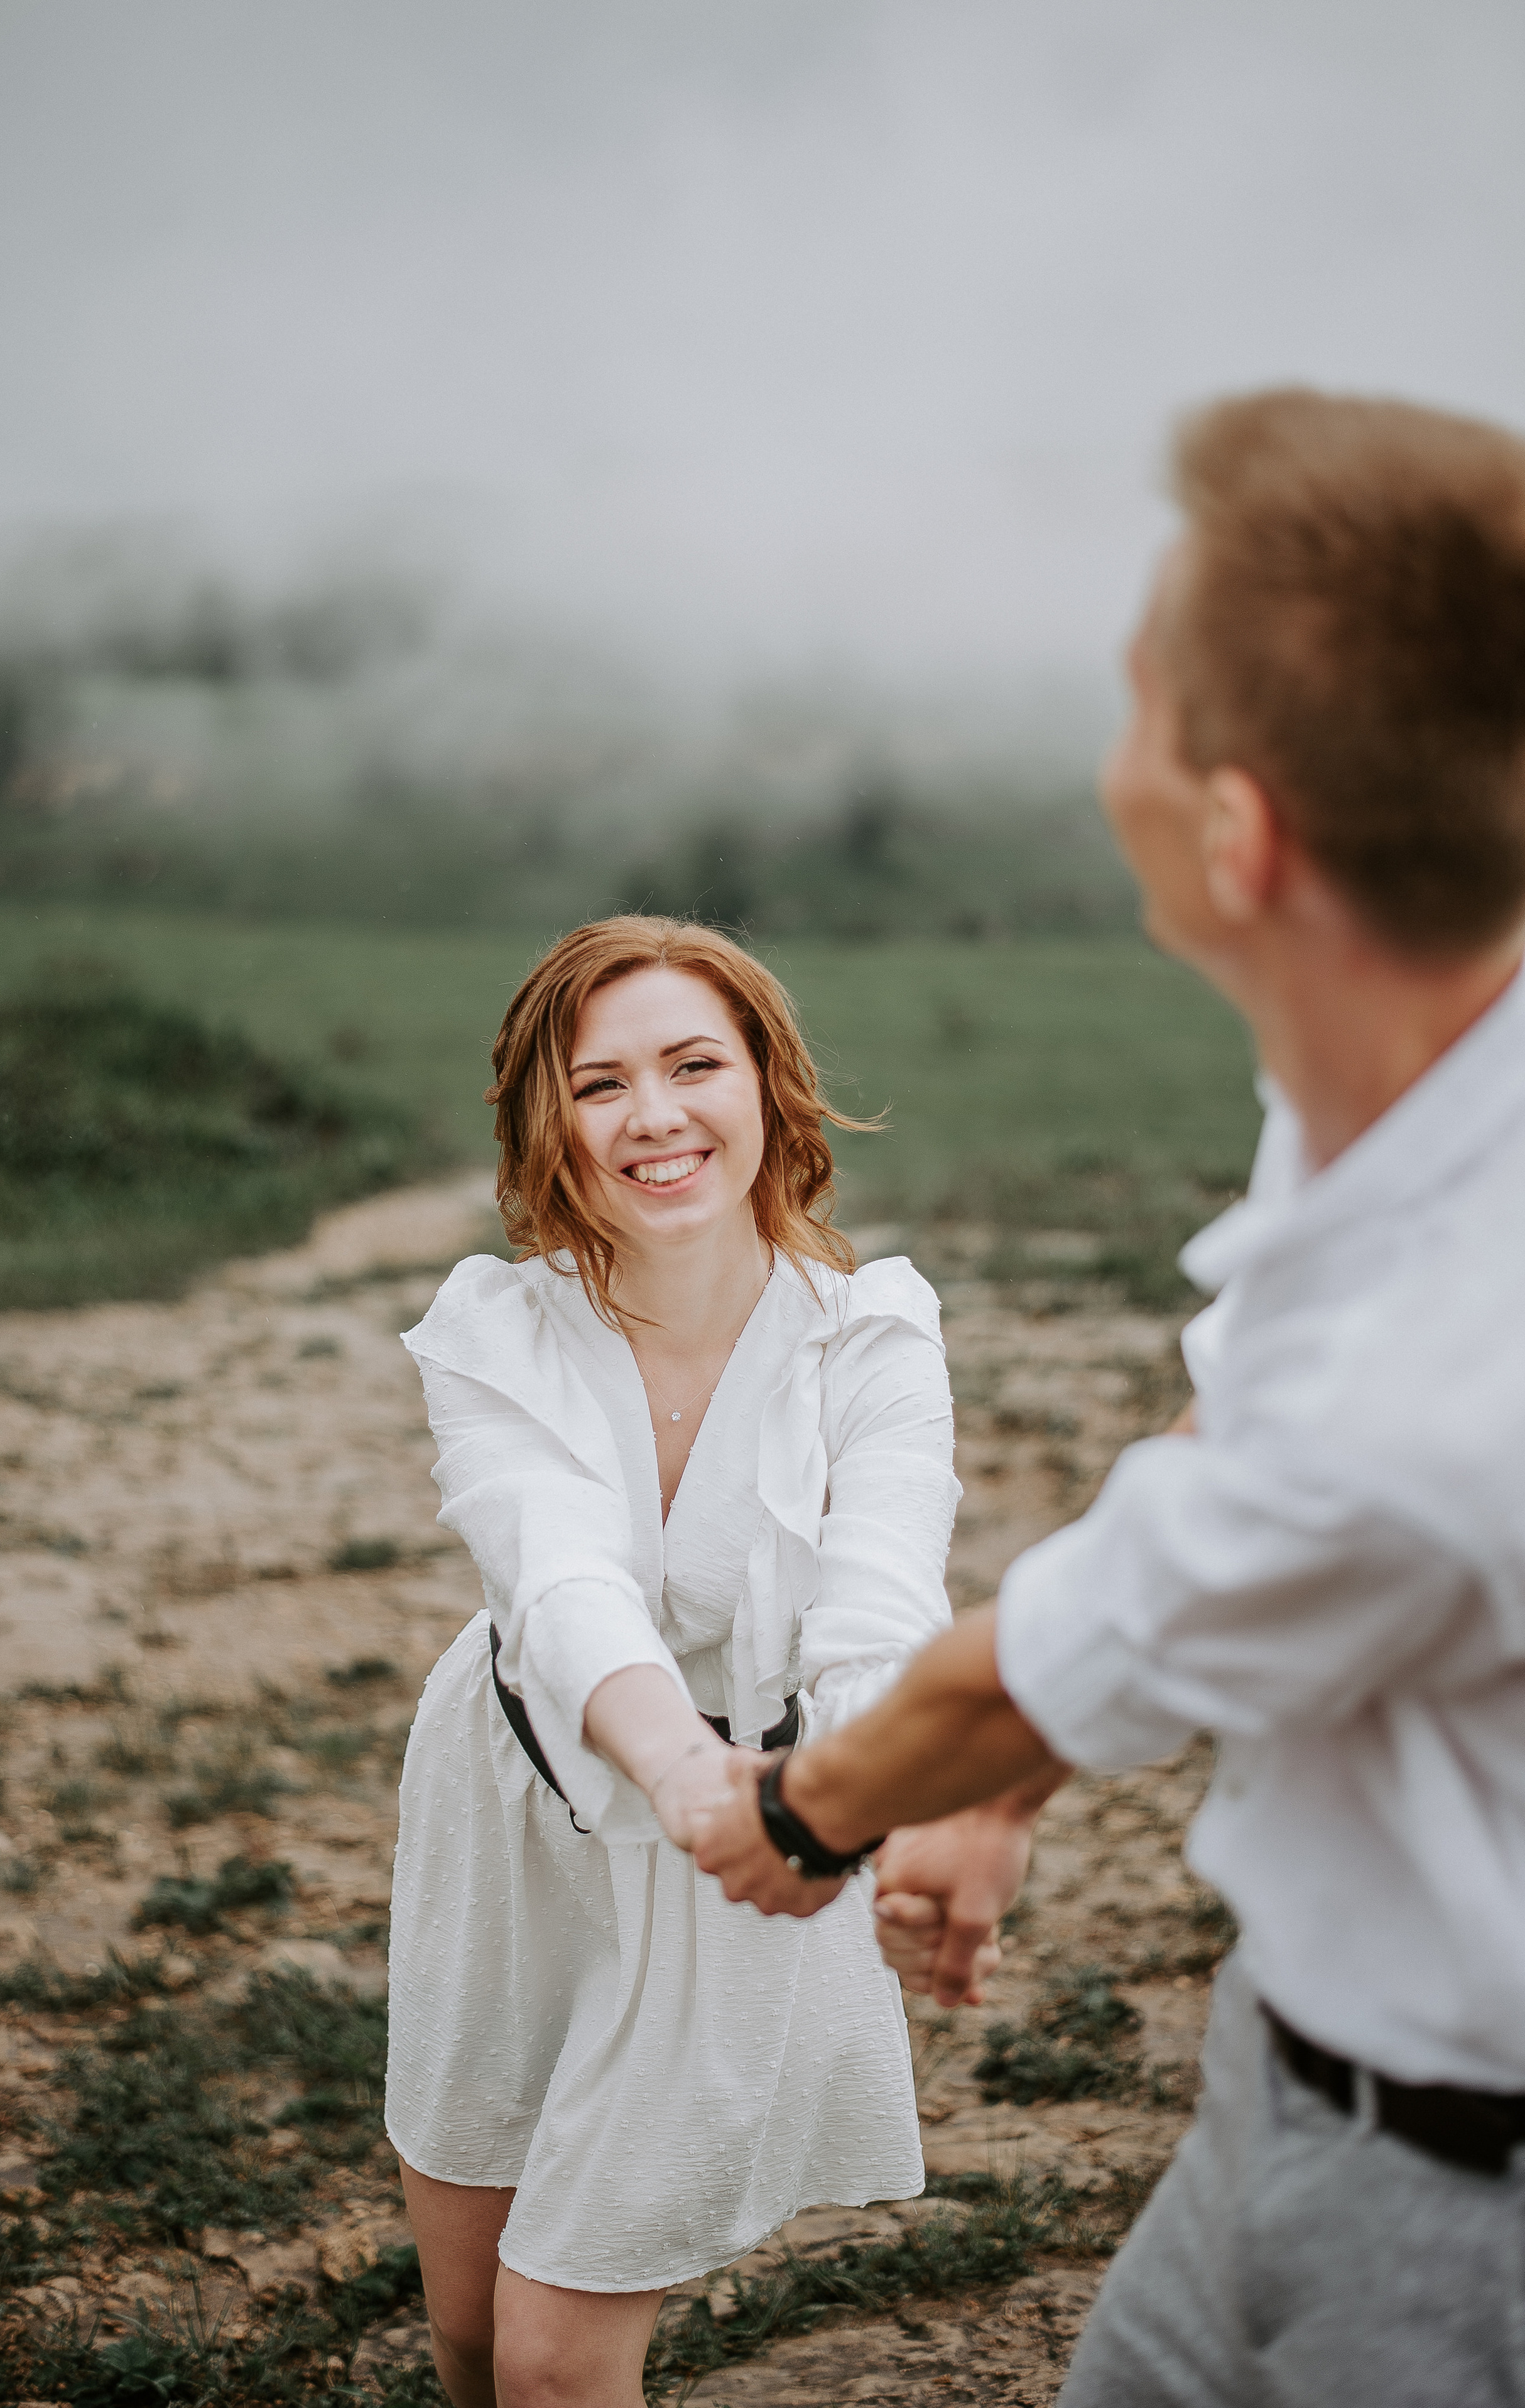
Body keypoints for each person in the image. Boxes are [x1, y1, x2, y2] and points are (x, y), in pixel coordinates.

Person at [691, 388, 1525, 2405]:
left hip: (1452, 2219)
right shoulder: (1415, 1067)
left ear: (1236, 833)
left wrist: (805, 1810)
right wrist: (996, 1802)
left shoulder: (1444, 1383)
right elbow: (1226, 1440)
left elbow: (1026, 1660)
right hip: (1284, 2072)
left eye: (1138, 703)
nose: (1104, 758)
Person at [385, 916, 974, 2408]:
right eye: (599, 1084)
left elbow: (876, 1615)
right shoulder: (490, 1332)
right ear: (549, 1122)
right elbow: (559, 1582)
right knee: (464, 2314)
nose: (652, 1115)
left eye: (693, 1064)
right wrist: (679, 1767)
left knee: (554, 2353)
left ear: (770, 1088)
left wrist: (847, 1802)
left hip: (742, 1847)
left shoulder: (874, 1339)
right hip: (515, 1800)